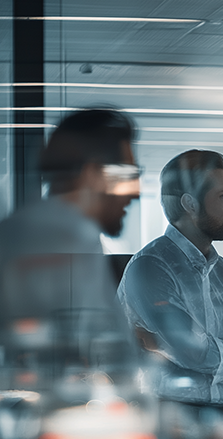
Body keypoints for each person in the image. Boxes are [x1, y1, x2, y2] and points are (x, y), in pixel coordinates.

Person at [117, 150, 223, 413]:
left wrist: (219, 350)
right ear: (190, 204)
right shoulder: (151, 267)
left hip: (221, 414)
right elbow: (193, 353)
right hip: (167, 418)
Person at [0, 109, 141, 380]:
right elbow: (84, 359)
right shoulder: (60, 239)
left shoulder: (56, 232)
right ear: (92, 174)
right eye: (127, 174)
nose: (135, 191)